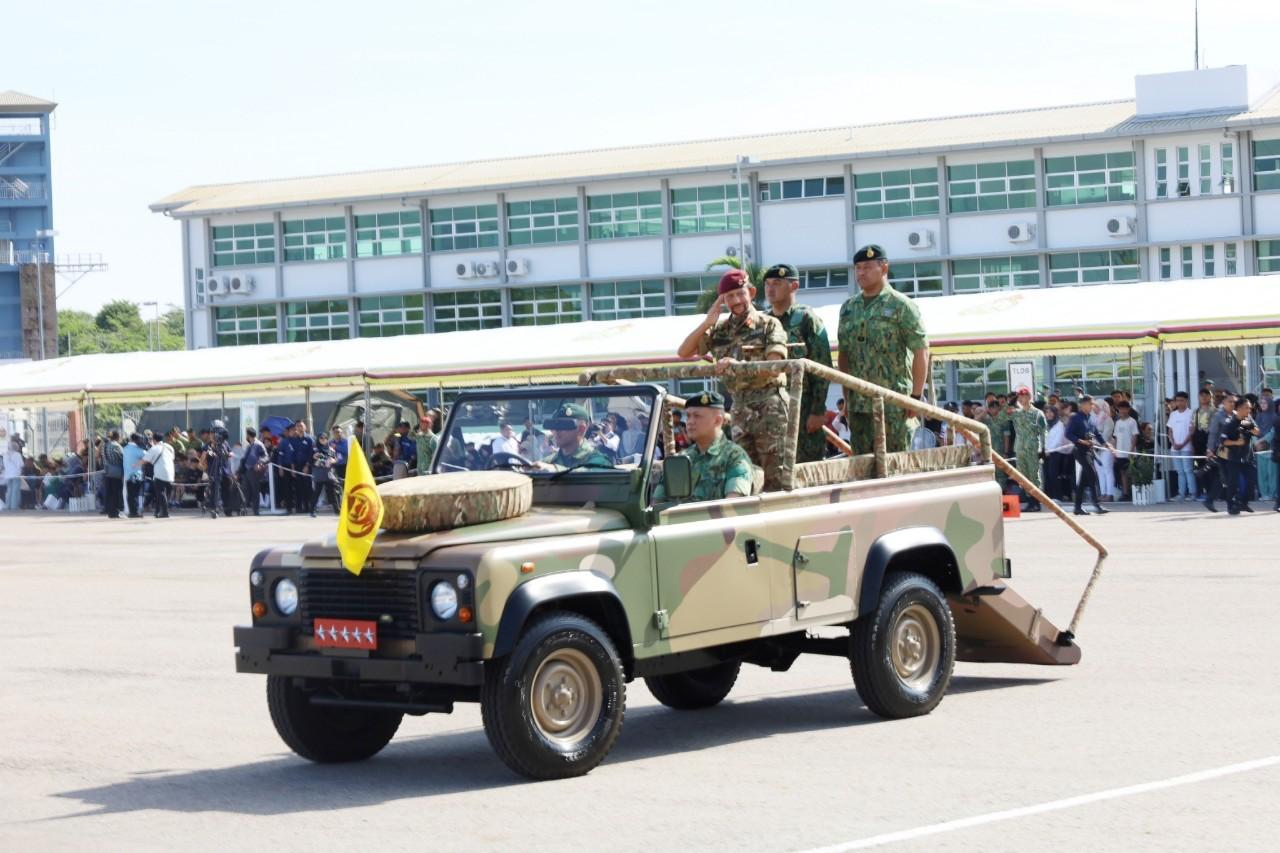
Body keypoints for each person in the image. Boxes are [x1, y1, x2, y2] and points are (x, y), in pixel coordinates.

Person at [677, 268, 789, 489]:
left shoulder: (768, 324)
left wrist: (739, 367)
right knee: (744, 473)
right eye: (729, 296)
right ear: (723, 301)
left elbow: (774, 366)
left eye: (740, 293)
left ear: (751, 292)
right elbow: (684, 352)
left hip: (770, 407)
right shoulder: (720, 330)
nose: (736, 300)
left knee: (775, 476)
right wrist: (708, 322)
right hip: (739, 408)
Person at [837, 245, 929, 456]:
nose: (861, 273)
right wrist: (847, 397)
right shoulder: (849, 308)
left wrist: (915, 397)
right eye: (858, 268)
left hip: (895, 404)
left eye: (867, 267)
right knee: (863, 467)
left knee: (897, 466)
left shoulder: (901, 305)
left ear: (884, 268)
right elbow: (844, 355)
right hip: (859, 405)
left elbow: (921, 351)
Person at [763, 262, 833, 463]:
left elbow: (822, 367)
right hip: (770, 410)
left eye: (777, 283)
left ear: (793, 286)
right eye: (767, 284)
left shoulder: (806, 319)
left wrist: (818, 411)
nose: (770, 288)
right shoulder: (763, 322)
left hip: (803, 408)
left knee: (805, 466)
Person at [653, 392, 753, 503]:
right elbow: (657, 506)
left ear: (718, 420)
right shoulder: (680, 460)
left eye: (697, 416)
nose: (690, 422)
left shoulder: (734, 457)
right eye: (688, 416)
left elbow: (733, 507)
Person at [536, 404, 613, 471]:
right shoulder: (548, 461)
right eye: (554, 425)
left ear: (581, 429)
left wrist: (554, 470)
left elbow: (592, 472)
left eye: (563, 425)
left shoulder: (598, 460)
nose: (556, 430)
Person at [1066, 396, 1108, 516]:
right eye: (1090, 404)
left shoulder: (1090, 418)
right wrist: (1081, 441)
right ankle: (1097, 505)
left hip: (1088, 450)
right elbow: (1068, 434)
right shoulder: (1075, 418)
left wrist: (1105, 443)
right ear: (1083, 404)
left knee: (1084, 480)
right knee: (1092, 474)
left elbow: (1096, 433)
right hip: (1079, 450)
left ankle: (1077, 507)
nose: (1092, 406)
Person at [1219, 396, 1259, 515]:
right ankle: (1231, 506)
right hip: (1234, 458)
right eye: (1247, 408)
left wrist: (1250, 427)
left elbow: (1257, 432)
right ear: (1240, 409)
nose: (1249, 411)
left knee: (1252, 480)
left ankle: (1243, 503)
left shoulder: (1247, 421)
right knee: (1233, 483)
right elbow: (1223, 441)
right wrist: (1236, 442)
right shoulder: (1230, 423)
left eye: (1250, 408)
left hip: (1247, 457)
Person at [1010, 387, 1047, 511]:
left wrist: (1044, 449)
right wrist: (1012, 401)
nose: (1021, 398)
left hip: (1033, 449)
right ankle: (1029, 500)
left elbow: (1043, 432)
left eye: (1024, 396)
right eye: (1019, 396)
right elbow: (1002, 416)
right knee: (1022, 477)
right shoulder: (1016, 413)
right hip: (1020, 449)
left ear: (1029, 397)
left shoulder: (1037, 413)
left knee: (1034, 476)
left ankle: (1035, 502)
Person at [1164, 391, 1195, 501]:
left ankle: (1192, 493)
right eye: (1177, 400)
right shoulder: (1173, 414)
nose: (1179, 402)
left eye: (1182, 400)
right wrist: (1174, 443)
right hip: (1175, 448)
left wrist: (1182, 444)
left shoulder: (1191, 413)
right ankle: (1181, 494)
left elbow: (1192, 432)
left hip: (1186, 447)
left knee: (1188, 471)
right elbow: (1170, 431)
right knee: (1180, 472)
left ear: (1186, 400)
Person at [1112, 400, 1140, 501]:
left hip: (1129, 452)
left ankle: (1135, 492)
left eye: (1125, 408)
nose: (1122, 411)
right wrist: (1114, 451)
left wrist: (1131, 451)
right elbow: (1115, 437)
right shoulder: (1118, 422)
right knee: (1123, 473)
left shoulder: (1132, 421)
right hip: (1120, 452)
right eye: (1120, 409)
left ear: (1128, 409)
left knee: (1132, 473)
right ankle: (1125, 493)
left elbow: (1135, 436)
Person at [143, 434, 175, 518]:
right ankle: (158, 511)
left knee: (160, 493)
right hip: (170, 472)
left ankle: (164, 512)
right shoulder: (169, 447)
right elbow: (172, 458)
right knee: (164, 494)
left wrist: (134, 465)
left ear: (154, 439)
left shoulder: (154, 448)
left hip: (159, 473)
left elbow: (146, 459)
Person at [205, 420, 232, 519]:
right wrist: (212, 451)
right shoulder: (209, 444)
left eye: (216, 432)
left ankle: (228, 509)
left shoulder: (225, 443)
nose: (214, 435)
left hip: (225, 470)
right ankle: (214, 509)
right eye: (213, 432)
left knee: (226, 490)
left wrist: (228, 454)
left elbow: (230, 453)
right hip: (214, 469)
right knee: (214, 490)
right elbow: (206, 453)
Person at [1091, 398, 1117, 501]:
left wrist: (1098, 445)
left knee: (1108, 471)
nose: (1095, 408)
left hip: (1106, 448)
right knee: (1100, 472)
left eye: (1097, 406)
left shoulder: (1108, 420)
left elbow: (1106, 436)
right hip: (1096, 448)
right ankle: (1103, 493)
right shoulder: (1093, 419)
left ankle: (1109, 494)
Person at [240, 427, 268, 516]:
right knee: (245, 490)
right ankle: (244, 509)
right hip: (246, 470)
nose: (246, 436)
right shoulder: (249, 445)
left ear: (248, 435)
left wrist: (259, 463)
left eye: (246, 434)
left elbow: (266, 456)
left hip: (254, 470)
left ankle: (256, 510)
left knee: (255, 490)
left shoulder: (258, 444)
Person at [291, 421, 317, 513]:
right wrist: (293, 468)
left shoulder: (310, 439)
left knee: (308, 487)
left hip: (307, 466)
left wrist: (307, 465)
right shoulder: (294, 440)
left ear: (305, 427)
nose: (299, 428)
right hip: (297, 466)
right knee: (298, 487)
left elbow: (312, 454)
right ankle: (300, 507)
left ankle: (310, 507)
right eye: (297, 426)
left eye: (301, 426)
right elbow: (292, 455)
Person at [1255, 397, 1277, 502]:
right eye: (1261, 403)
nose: (1263, 405)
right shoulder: (1258, 417)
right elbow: (1254, 430)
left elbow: (1273, 432)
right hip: (1260, 449)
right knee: (1262, 473)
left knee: (1272, 473)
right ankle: (1264, 494)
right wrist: (1255, 442)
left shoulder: (1274, 417)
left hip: (1271, 448)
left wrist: (1261, 441)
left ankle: (1272, 494)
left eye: (1265, 403)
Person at [102, 431, 125, 519]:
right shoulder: (116, 446)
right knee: (117, 492)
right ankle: (115, 511)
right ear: (118, 437)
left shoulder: (106, 445)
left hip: (108, 471)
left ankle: (110, 511)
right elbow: (122, 458)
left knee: (110, 492)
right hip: (117, 471)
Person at [122, 433, 146, 518]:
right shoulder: (138, 449)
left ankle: (132, 511)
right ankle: (134, 512)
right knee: (135, 494)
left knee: (130, 494)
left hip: (128, 475)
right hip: (136, 475)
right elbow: (147, 456)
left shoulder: (125, 449)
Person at [1, 438, 23, 512]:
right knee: (15, 491)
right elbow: (21, 465)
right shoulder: (18, 455)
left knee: (9, 490)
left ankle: (8, 506)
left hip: (8, 475)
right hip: (16, 475)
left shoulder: (5, 455)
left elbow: (4, 465)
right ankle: (14, 506)